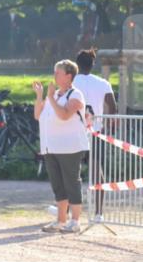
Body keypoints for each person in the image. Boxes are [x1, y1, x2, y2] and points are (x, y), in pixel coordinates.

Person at [34, 60, 88, 234]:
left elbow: (64, 115)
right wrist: (40, 96)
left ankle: (75, 221)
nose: (54, 75)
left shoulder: (75, 94)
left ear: (68, 76)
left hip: (70, 146)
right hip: (51, 147)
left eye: (58, 72)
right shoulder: (55, 95)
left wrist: (50, 97)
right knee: (58, 185)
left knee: (72, 183)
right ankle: (61, 220)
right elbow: (37, 115)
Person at [73, 48, 116, 220]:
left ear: (76, 65)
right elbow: (112, 106)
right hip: (96, 131)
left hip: (74, 132)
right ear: (93, 64)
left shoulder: (71, 82)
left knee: (71, 173)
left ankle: (69, 211)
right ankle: (99, 212)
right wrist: (108, 127)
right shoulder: (102, 83)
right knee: (97, 171)